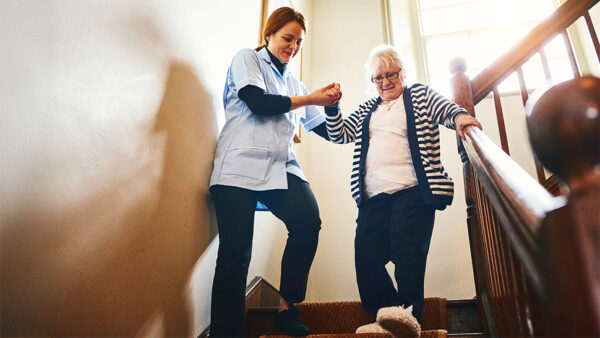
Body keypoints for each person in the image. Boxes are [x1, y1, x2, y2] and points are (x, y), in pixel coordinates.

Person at [323, 45, 481, 337]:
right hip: (373, 197)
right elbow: (339, 134)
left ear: (402, 73)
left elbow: (444, 108)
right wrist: (332, 108)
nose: (384, 81)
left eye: (390, 74)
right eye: (378, 77)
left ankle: (408, 315)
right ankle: (389, 316)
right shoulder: (368, 109)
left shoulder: (418, 94)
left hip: (413, 191)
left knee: (406, 253)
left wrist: (461, 118)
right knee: (366, 256)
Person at [208, 7, 341, 338]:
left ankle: (286, 309)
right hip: (238, 168)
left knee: (308, 221)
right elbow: (257, 102)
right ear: (269, 34)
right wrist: (311, 98)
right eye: (287, 38)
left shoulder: (295, 81)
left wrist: (334, 104)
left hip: (281, 166)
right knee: (235, 256)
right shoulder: (248, 60)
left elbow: (327, 130)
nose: (293, 46)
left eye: (298, 41)